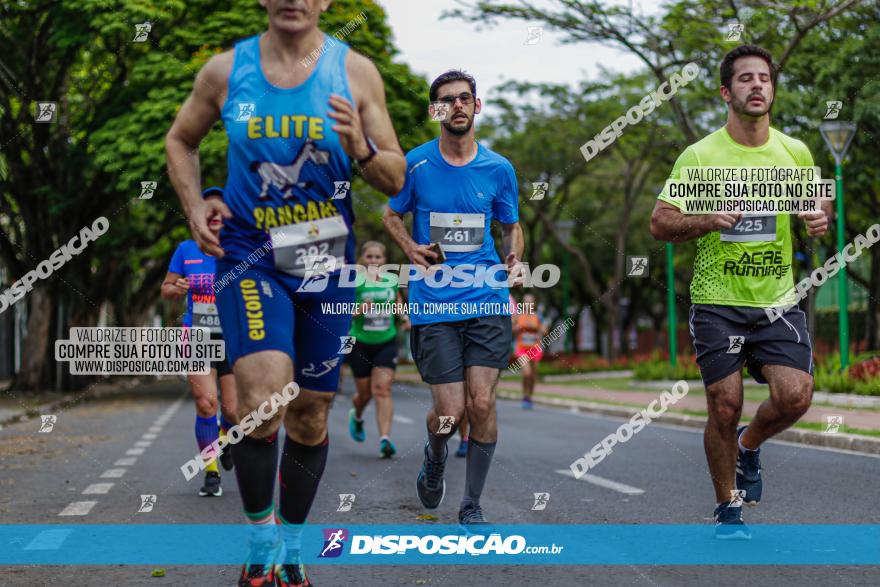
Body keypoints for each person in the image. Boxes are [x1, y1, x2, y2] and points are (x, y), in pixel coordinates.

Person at [165, 0, 406, 583]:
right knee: (261, 395)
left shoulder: (355, 72)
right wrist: (196, 205)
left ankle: (293, 549)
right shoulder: (226, 71)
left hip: (326, 258)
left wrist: (362, 150)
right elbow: (181, 140)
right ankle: (259, 543)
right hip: (253, 257)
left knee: (309, 415)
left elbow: (397, 177)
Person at [650, 45, 831, 539]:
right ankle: (728, 507)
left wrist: (818, 217)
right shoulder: (701, 157)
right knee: (723, 405)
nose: (757, 85)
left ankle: (749, 446)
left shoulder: (795, 152)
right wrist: (707, 219)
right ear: (727, 92)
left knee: (796, 396)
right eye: (746, 79)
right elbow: (660, 223)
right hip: (717, 301)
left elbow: (817, 206)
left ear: (772, 89)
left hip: (777, 300)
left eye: (765, 78)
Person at [383, 70, 524, 526]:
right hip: (435, 303)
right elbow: (390, 215)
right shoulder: (417, 164)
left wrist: (515, 256)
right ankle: (436, 454)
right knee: (450, 413)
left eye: (466, 98)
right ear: (436, 111)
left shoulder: (498, 168)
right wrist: (410, 249)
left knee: (481, 404)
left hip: (486, 297)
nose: (458, 106)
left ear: (477, 106)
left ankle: (472, 504)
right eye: (447, 100)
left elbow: (510, 224)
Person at [161, 190, 238, 498]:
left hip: (234, 335)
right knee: (207, 403)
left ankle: (227, 438)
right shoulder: (186, 250)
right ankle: (210, 472)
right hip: (197, 334)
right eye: (208, 208)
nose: (215, 213)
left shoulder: (241, 250)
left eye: (221, 208)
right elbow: (166, 288)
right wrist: (176, 288)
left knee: (233, 411)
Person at [347, 241, 410, 458]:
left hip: (386, 340)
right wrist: (357, 311)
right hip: (360, 342)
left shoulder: (391, 280)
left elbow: (397, 303)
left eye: (378, 257)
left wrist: (404, 317)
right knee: (364, 394)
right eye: (369, 256)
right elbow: (341, 309)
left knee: (382, 389)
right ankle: (357, 415)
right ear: (362, 258)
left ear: (385, 260)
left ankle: (385, 439)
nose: (374, 261)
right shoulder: (354, 280)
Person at [512, 293, 548, 409]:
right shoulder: (518, 316)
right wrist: (516, 328)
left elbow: (545, 331)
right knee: (526, 372)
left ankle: (529, 396)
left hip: (535, 349)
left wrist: (537, 328)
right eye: (526, 301)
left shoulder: (538, 316)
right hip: (522, 348)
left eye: (530, 301)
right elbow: (510, 329)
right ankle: (525, 395)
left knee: (532, 375)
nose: (528, 303)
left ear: (534, 304)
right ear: (523, 303)